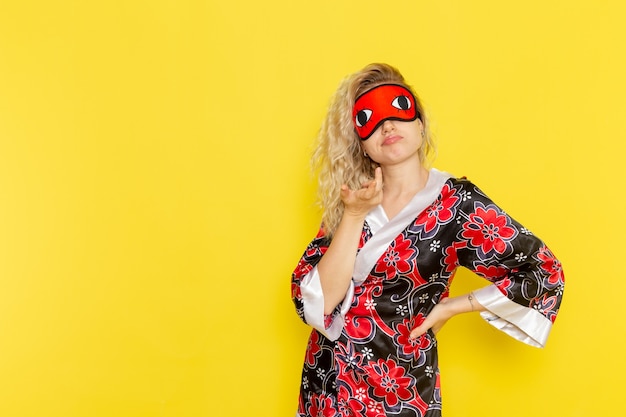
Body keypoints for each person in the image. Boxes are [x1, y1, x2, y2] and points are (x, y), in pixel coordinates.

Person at [290, 63, 564, 417]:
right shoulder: (353, 200)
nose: (387, 125)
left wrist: (455, 305)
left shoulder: (457, 203)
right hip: (329, 384)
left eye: (399, 111)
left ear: (420, 123)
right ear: (362, 144)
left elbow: (541, 271)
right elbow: (318, 303)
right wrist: (354, 215)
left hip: (401, 385)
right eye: (370, 119)